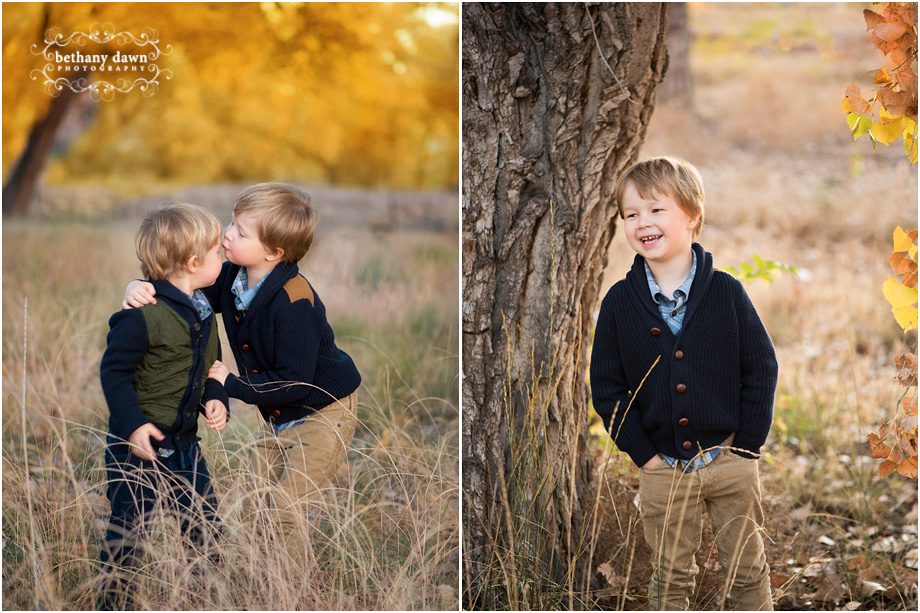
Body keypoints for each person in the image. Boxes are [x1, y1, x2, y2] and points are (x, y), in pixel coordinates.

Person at [123, 183, 361, 548]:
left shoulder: (294, 303)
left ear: (274, 252)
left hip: (324, 412)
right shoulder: (234, 276)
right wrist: (141, 286)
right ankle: (268, 571)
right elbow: (185, 288)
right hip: (282, 416)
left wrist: (231, 384)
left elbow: (296, 382)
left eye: (241, 232)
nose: (227, 234)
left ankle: (294, 584)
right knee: (258, 499)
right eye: (232, 223)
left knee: (284, 506)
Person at [590, 157, 778, 611]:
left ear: (692, 216)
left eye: (656, 210)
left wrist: (747, 446)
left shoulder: (727, 292)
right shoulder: (619, 303)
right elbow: (608, 389)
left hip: (729, 459)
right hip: (663, 469)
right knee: (670, 576)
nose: (643, 222)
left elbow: (761, 367)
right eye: (631, 214)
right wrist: (645, 457)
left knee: (747, 571)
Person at [99, 203, 229, 610]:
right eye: (217, 252)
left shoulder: (203, 310)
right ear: (193, 263)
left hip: (186, 446)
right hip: (137, 449)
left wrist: (216, 398)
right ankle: (114, 603)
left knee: (205, 531)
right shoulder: (142, 315)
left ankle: (201, 600)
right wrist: (133, 425)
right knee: (128, 535)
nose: (223, 255)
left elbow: (212, 366)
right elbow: (114, 374)